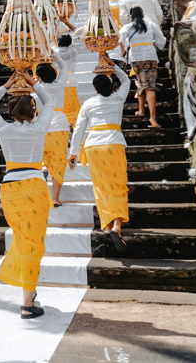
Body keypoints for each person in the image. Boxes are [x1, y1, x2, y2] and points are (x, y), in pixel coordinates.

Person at [0, 71, 54, 319]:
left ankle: (28, 292)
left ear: (12, 111)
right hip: (34, 187)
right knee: (33, 244)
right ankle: (27, 302)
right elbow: (50, 102)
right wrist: (33, 82)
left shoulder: (4, 129)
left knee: (24, 242)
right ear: (33, 112)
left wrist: (7, 84)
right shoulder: (39, 127)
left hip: (11, 188)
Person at [68, 61, 130, 253]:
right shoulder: (118, 98)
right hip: (114, 143)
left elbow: (78, 129)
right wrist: (113, 66)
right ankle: (117, 226)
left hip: (94, 146)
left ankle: (106, 226)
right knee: (118, 185)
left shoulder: (88, 103)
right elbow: (127, 79)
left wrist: (73, 153)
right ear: (112, 86)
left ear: (94, 89)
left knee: (102, 187)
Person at [120, 6, 167, 129]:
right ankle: (152, 117)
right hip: (150, 55)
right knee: (150, 86)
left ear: (131, 16)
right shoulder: (151, 24)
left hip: (135, 57)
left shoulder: (127, 27)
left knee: (140, 81)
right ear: (143, 14)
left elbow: (121, 40)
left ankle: (143, 111)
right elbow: (162, 40)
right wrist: (154, 45)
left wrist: (124, 51)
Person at [35, 51, 70, 207]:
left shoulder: (36, 91)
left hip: (42, 124)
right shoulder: (60, 84)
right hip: (60, 126)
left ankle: (43, 166)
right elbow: (64, 68)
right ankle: (55, 198)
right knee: (59, 161)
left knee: (42, 155)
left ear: (39, 77)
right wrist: (54, 54)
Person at [55, 34, 81, 128]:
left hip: (58, 79)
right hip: (71, 79)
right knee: (73, 105)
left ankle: (61, 123)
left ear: (59, 43)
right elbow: (78, 37)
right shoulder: (73, 51)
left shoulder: (54, 51)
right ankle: (71, 122)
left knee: (61, 104)